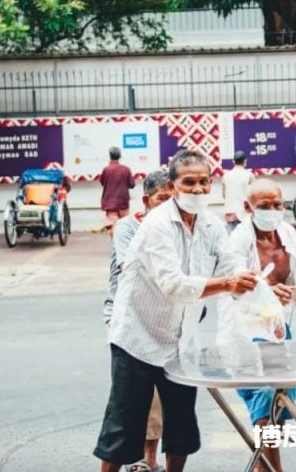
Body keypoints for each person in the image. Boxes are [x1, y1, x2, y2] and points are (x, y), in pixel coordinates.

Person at [94, 150, 257, 472]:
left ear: (212, 184)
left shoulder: (211, 225)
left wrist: (259, 288)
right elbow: (173, 285)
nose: (197, 189)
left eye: (203, 182)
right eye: (189, 182)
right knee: (123, 428)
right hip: (136, 337)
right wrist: (229, 283)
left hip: (181, 340)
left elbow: (232, 265)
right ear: (172, 186)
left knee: (181, 426)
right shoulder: (157, 223)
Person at [218, 178, 296, 472]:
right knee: (263, 395)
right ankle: (274, 469)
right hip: (245, 332)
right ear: (248, 208)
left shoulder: (287, 232)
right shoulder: (238, 239)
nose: (273, 210)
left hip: (277, 330)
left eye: (278, 204)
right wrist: (264, 290)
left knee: (282, 397)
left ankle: (264, 467)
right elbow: (236, 279)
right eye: (264, 205)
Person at [104, 170, 172, 472]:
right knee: (127, 400)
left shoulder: (176, 228)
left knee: (157, 397)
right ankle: (130, 461)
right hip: (128, 322)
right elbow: (134, 268)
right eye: (162, 200)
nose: (168, 206)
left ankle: (149, 461)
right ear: (146, 201)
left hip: (163, 321)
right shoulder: (128, 228)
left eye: (173, 200)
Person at [99, 147, 135, 233]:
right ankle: (123, 245)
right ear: (120, 156)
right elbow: (132, 185)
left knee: (113, 227)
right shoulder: (126, 169)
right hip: (123, 202)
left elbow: (103, 183)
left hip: (110, 202)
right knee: (125, 226)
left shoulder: (106, 169)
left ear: (109, 156)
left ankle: (115, 244)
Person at [222, 150, 254, 232]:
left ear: (233, 161)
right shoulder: (249, 175)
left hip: (230, 212)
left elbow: (224, 195)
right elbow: (254, 193)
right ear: (245, 161)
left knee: (231, 239)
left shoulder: (226, 175)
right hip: (244, 212)